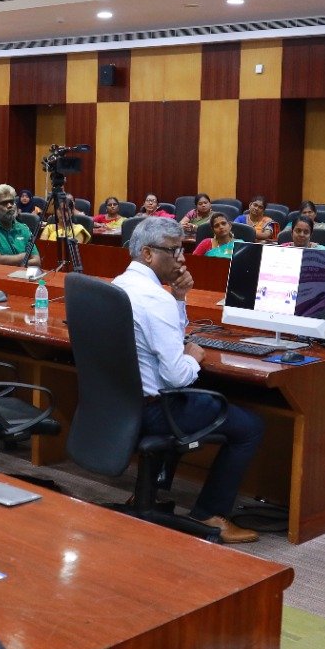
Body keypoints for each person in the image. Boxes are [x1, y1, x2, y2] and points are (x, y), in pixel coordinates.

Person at [115, 219, 264, 544]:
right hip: (155, 411)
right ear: (148, 253)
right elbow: (176, 376)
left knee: (192, 399)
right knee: (249, 426)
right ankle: (209, 514)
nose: (182, 259)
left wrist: (179, 297)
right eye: (173, 250)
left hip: (120, 407)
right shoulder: (155, 299)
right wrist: (193, 357)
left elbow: (165, 337)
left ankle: (147, 494)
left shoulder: (120, 284)